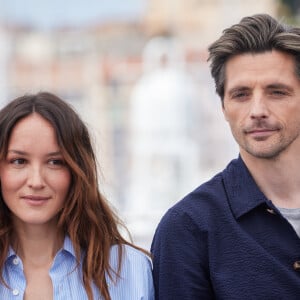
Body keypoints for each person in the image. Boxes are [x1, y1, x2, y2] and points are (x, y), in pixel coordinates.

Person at [151, 13, 300, 299]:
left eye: (276, 92)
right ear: (223, 107)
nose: (257, 110)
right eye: (241, 95)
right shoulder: (188, 229)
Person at [0, 92, 154, 300]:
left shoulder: (129, 270)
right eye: (19, 161)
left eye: (55, 162)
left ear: (77, 171)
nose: (36, 181)